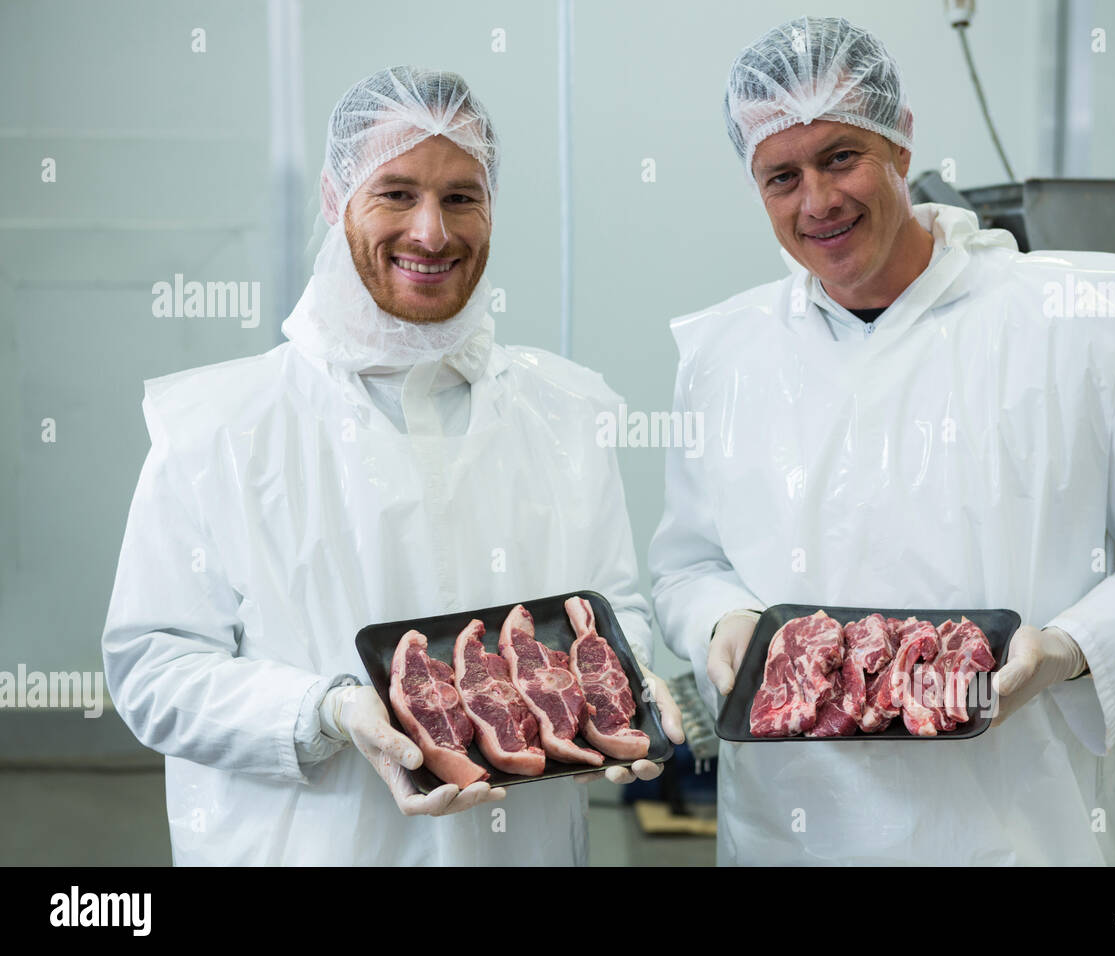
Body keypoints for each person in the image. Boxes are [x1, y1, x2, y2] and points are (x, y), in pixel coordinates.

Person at [647, 17, 1115, 865]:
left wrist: (1069, 650)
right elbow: (688, 564)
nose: (817, 202)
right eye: (780, 176)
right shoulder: (726, 356)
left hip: (1016, 830)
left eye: (840, 157)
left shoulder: (1073, 322)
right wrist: (723, 619)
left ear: (901, 145)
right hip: (793, 829)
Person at [103, 67, 682, 866]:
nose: (431, 233)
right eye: (396, 193)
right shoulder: (222, 428)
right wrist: (325, 710)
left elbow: (613, 610)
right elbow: (153, 668)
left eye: (461, 198)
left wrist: (623, 684)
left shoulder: (564, 413)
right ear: (337, 199)